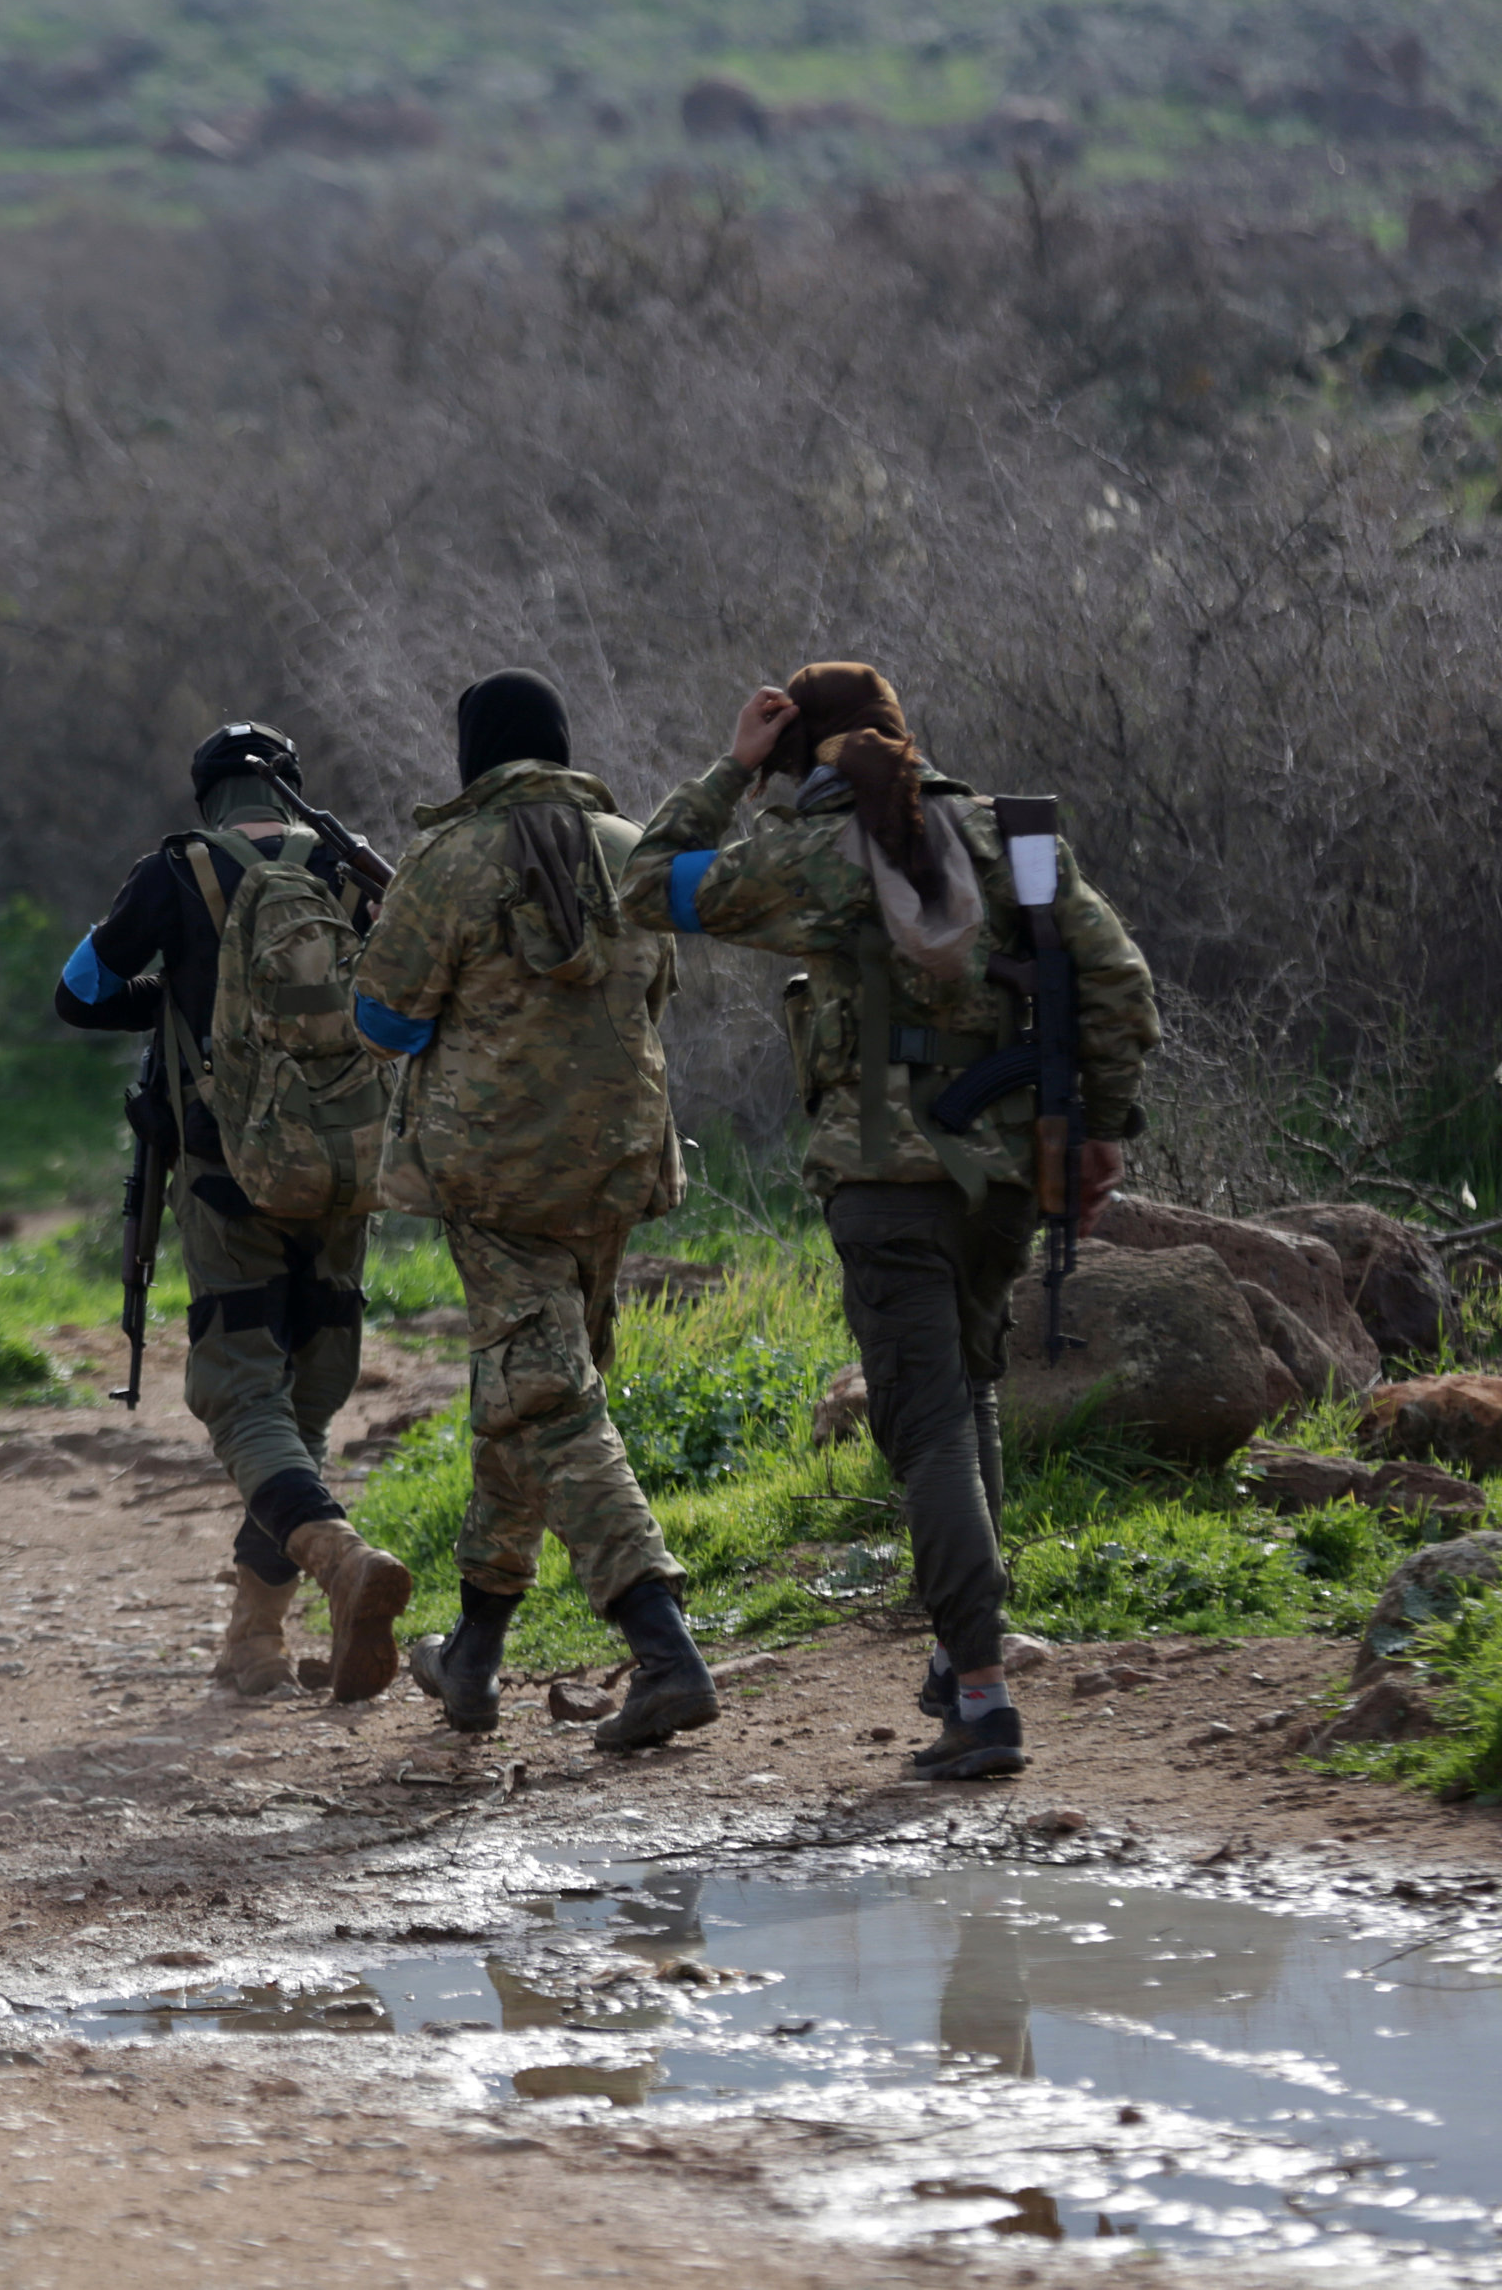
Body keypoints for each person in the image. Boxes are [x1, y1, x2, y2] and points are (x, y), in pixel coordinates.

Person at [620, 664, 1159, 1781]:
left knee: (923, 1430)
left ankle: (980, 1693)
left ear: (796, 749)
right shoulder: (1009, 843)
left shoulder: (803, 857)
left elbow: (640, 884)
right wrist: (1095, 1127)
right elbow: (1116, 981)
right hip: (1001, 1177)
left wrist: (728, 772)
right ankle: (962, 1657)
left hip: (882, 1183)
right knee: (964, 1399)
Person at [353, 669, 716, 1756]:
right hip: (613, 1168)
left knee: (547, 1402)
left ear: (472, 755)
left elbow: (379, 1019)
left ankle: (662, 1649)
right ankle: (471, 1653)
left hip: (496, 1182)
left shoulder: (446, 860)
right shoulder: (628, 845)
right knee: (523, 1393)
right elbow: (656, 997)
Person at [55, 724, 414, 1702]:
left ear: (205, 793)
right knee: (304, 1402)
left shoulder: (176, 871)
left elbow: (78, 994)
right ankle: (253, 1638)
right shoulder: (351, 875)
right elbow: (402, 1005)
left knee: (242, 1399)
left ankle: (339, 1562)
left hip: (226, 1176)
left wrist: (179, 999)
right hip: (343, 1175)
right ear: (287, 789)